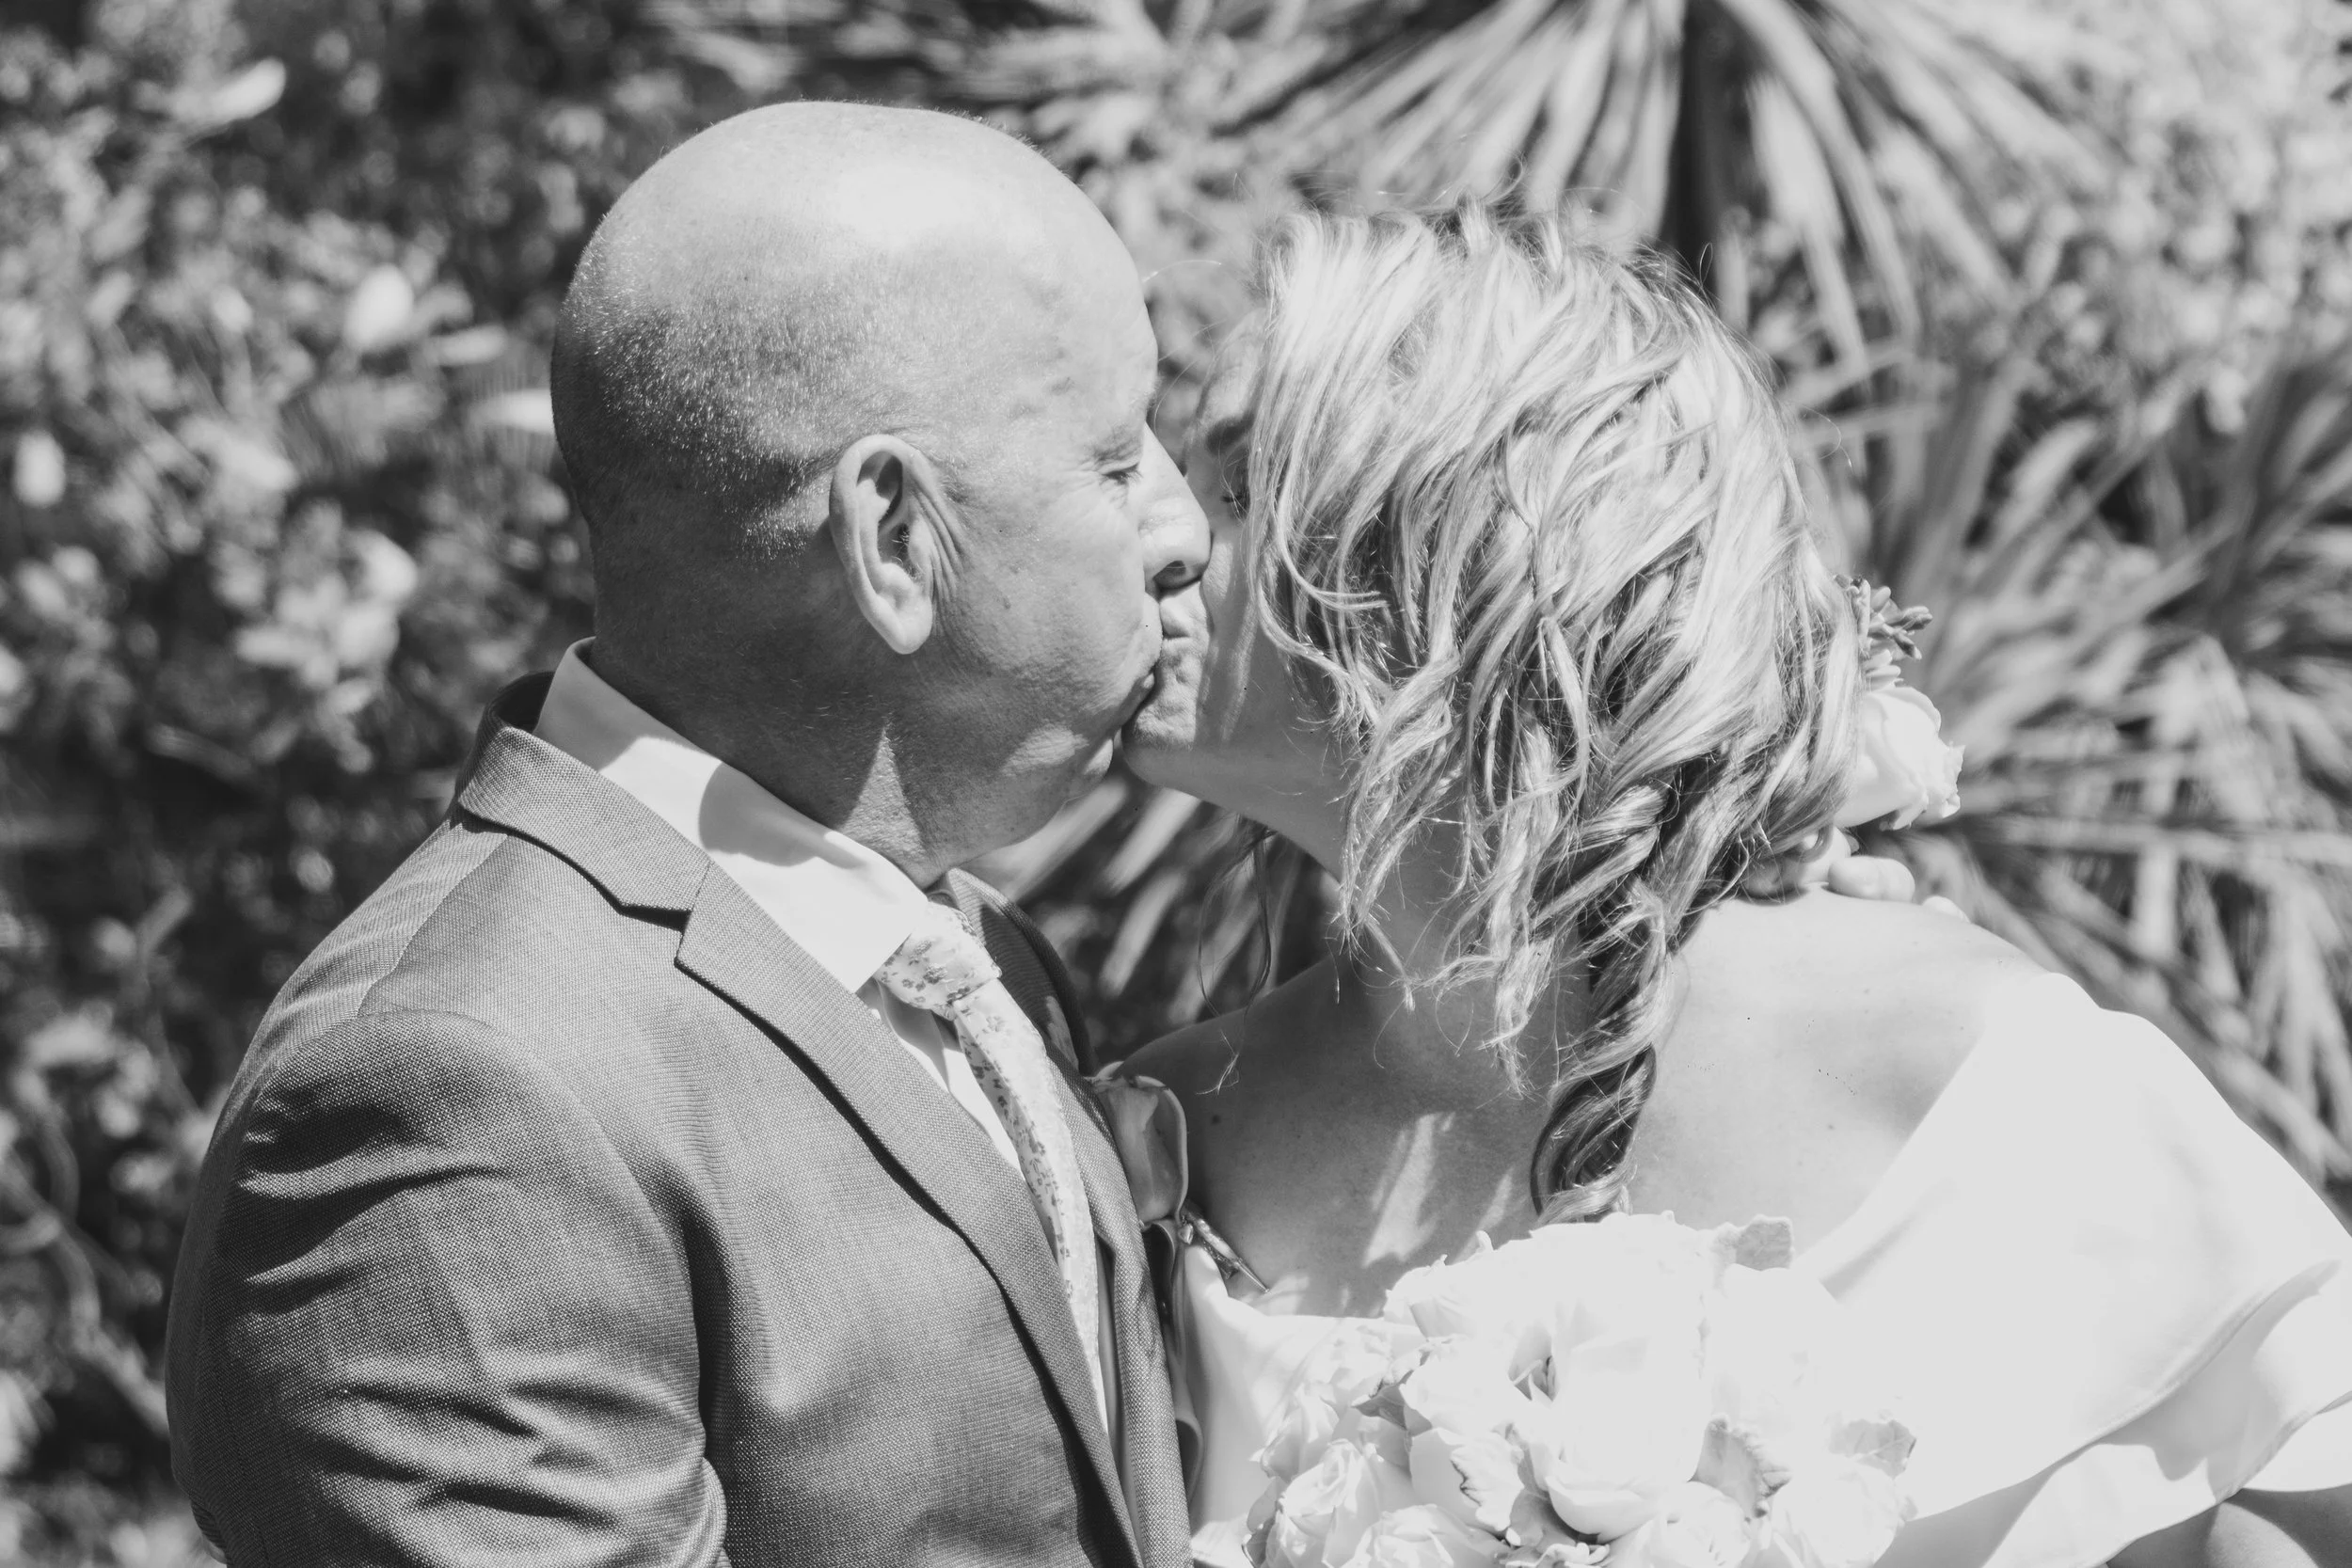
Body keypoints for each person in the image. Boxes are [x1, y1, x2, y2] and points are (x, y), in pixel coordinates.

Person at [1119, 206, 2352, 1567]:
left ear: (1475, 542)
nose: (1156, 536)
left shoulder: (1994, 1089)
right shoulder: (1165, 1150)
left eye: (1243, 482)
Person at [165, 103, 1209, 1568]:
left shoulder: (977, 957)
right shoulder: (456, 1093)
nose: (1181, 525)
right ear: (894, 538)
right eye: (1113, 460)